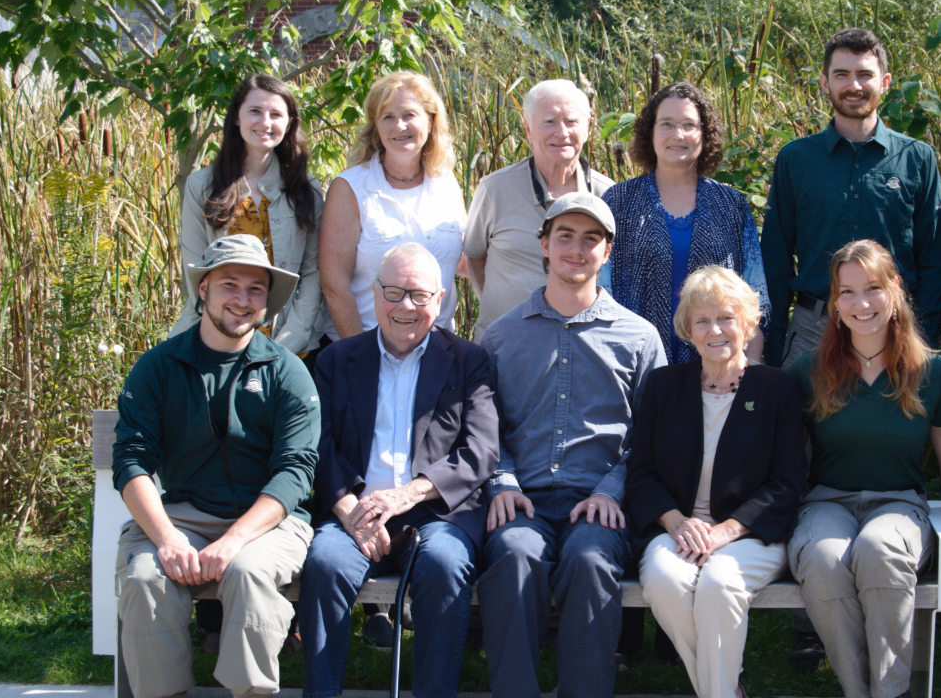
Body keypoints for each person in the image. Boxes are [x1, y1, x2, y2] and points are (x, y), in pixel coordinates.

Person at [112, 234, 319, 698]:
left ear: (268, 301)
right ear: (202, 288)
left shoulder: (286, 371)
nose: (242, 301)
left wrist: (235, 540)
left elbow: (296, 471)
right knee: (146, 577)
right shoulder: (158, 367)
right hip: (183, 515)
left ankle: (250, 693)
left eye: (256, 290)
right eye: (230, 285)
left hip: (268, 524)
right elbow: (131, 460)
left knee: (248, 572)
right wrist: (166, 539)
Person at [478, 192, 665, 698]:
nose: (576, 249)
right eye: (565, 236)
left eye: (591, 239)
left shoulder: (639, 338)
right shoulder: (501, 336)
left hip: (601, 504)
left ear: (607, 251)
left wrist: (611, 489)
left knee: (588, 561)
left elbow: (655, 435)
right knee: (515, 554)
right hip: (524, 500)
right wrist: (502, 480)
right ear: (544, 245)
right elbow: (484, 426)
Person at [299, 242, 499, 698]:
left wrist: (407, 495)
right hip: (354, 511)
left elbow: (481, 450)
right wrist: (350, 511)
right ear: (373, 293)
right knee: (326, 562)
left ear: (442, 298)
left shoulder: (469, 361)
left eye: (419, 295)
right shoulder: (335, 361)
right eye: (393, 292)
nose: (405, 306)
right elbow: (319, 445)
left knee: (446, 564)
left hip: (436, 514)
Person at [785, 240, 941, 698]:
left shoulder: (933, 373)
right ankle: (862, 691)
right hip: (826, 501)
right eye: (847, 292)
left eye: (872, 288)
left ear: (895, 291)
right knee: (823, 557)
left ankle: (890, 691)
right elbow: (792, 465)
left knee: (878, 549)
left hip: (899, 504)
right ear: (834, 303)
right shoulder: (808, 371)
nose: (861, 303)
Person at [626, 266, 805, 698]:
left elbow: (788, 480)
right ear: (688, 329)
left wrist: (726, 530)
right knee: (667, 582)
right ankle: (726, 691)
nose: (715, 330)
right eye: (702, 320)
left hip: (750, 532)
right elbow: (641, 470)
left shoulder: (777, 388)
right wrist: (674, 522)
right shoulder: (663, 385)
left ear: (747, 322)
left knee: (719, 583)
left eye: (726, 317)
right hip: (678, 530)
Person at [760, 27, 941, 369]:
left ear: (886, 81)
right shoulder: (796, 159)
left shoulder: (917, 158)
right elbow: (775, 258)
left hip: (893, 329)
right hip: (813, 331)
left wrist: (923, 338)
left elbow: (935, 260)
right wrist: (775, 343)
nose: (855, 86)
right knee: (801, 423)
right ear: (824, 82)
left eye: (865, 74)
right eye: (842, 75)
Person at [601, 83, 770, 364]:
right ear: (650, 132)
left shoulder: (731, 205)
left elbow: (756, 298)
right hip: (633, 364)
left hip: (717, 368)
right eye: (666, 124)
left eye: (689, 125)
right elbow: (600, 293)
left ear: (704, 133)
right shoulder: (618, 202)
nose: (678, 134)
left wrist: (745, 371)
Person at [170, 74, 325, 359]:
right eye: (255, 111)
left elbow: (313, 273)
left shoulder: (307, 190)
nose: (265, 122)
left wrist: (290, 343)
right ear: (237, 118)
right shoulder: (201, 186)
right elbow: (195, 270)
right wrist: (223, 343)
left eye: (276, 114)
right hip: (213, 341)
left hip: (290, 344)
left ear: (289, 123)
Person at [463, 79, 616, 342]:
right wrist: (497, 304)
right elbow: (474, 256)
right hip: (503, 347)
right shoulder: (496, 189)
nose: (562, 132)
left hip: (580, 349)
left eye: (571, 121)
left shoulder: (609, 195)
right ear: (528, 129)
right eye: (549, 122)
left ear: (588, 127)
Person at [321, 70, 468, 341]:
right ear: (375, 126)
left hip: (438, 351)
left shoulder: (446, 183)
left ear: (431, 120)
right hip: (368, 344)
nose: (399, 126)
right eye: (388, 117)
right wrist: (360, 355)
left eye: (409, 115)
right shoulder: (350, 188)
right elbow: (334, 286)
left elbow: (464, 261)